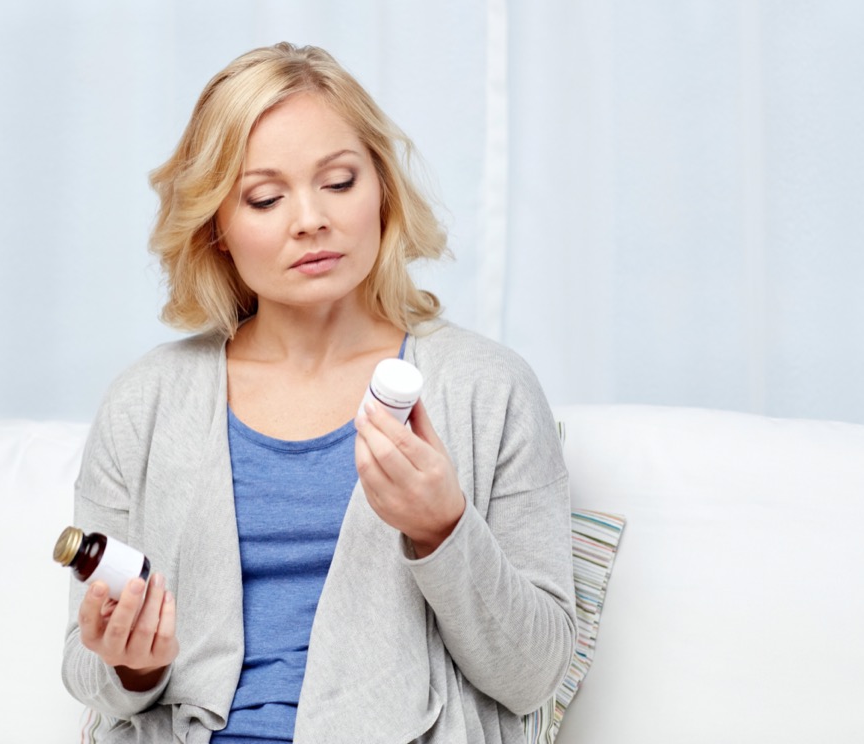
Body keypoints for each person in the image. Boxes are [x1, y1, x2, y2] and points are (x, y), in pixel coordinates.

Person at [62, 43, 576, 744]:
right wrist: (132, 668)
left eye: (338, 182)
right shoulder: (145, 404)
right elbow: (88, 673)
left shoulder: (489, 389)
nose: (310, 219)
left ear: (382, 190)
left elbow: (534, 675)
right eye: (266, 198)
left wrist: (443, 528)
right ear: (216, 226)